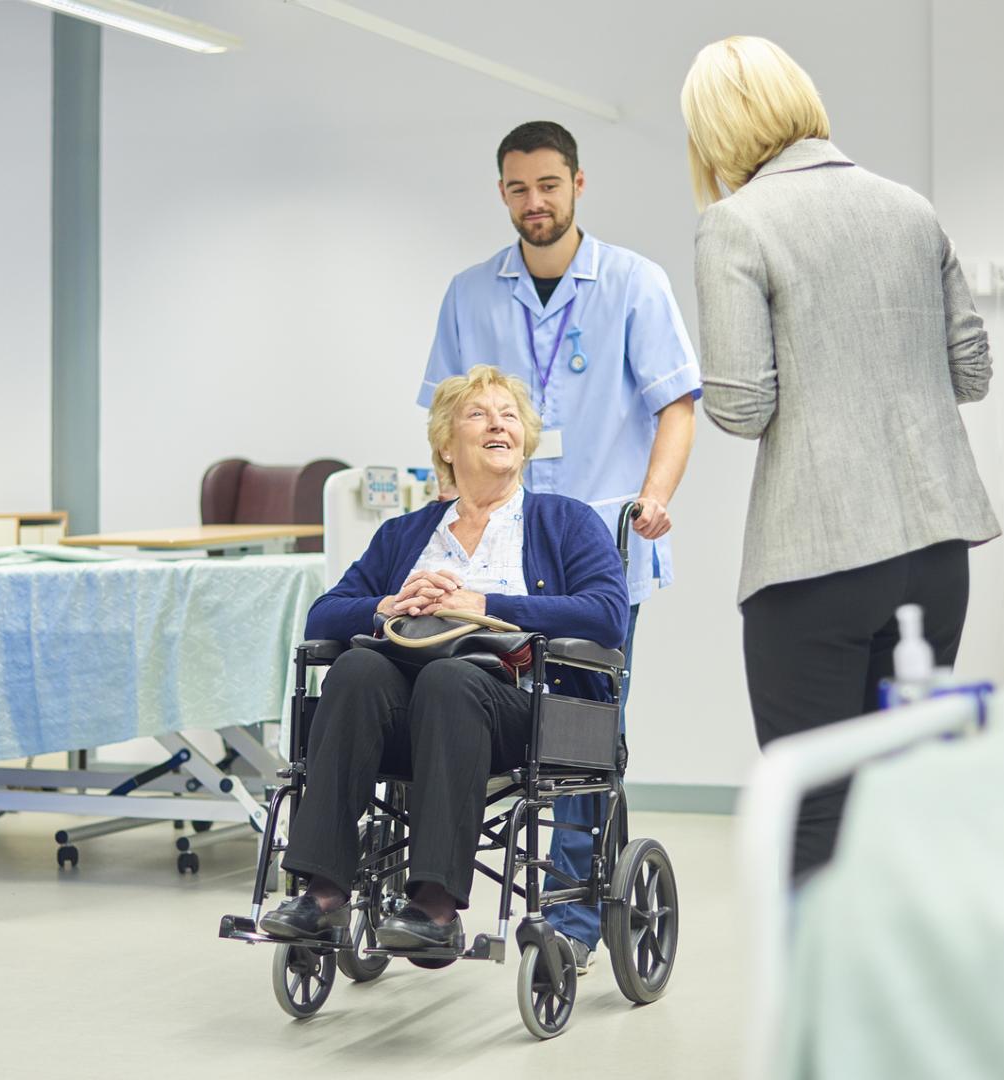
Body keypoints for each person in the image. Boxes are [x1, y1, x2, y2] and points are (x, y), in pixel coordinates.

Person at [681, 37, 999, 876]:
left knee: (812, 804)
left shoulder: (735, 224)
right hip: (936, 553)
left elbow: (742, 407)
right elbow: (972, 371)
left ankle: (819, 1004)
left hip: (816, 558)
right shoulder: (910, 207)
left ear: (715, 131)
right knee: (900, 791)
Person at [417, 121, 698, 961]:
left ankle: (573, 916)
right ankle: (429, 885)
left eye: (548, 185)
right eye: (517, 189)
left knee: (578, 735)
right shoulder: (470, 292)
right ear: (502, 193)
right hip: (494, 554)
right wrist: (440, 510)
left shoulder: (634, 284)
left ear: (579, 184)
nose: (533, 203)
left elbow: (676, 405)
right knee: (465, 708)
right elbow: (442, 426)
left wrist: (654, 497)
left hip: (594, 552)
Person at [261, 366, 628, 952]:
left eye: (509, 415)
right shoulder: (405, 534)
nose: (498, 424)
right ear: (445, 445)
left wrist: (483, 603)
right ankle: (324, 894)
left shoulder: (564, 521)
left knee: (450, 679)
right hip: (407, 720)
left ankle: (434, 907)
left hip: (517, 714)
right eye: (478, 415)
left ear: (525, 439)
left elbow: (607, 613)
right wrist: (388, 605)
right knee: (357, 669)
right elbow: (323, 616)